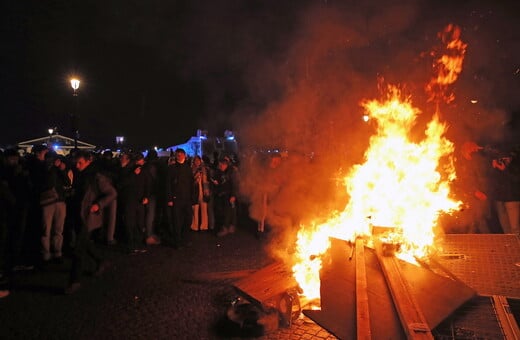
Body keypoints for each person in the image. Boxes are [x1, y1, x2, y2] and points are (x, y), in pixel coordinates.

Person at [65, 151, 117, 294]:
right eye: (76, 162)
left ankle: (74, 281)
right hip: (78, 214)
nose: (77, 165)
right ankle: (101, 261)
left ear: (88, 161)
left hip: (88, 216)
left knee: (78, 249)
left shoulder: (96, 177)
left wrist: (98, 204)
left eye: (80, 163)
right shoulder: (80, 174)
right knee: (84, 244)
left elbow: (112, 193)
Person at [40, 155, 71, 264]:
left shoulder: (58, 170)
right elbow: (47, 183)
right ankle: (46, 253)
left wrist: (62, 170)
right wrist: (53, 168)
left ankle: (57, 252)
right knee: (46, 229)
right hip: (48, 202)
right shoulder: (44, 169)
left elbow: (67, 183)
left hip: (60, 201)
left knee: (58, 229)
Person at [166, 148, 193, 248]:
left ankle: (184, 238)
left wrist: (192, 198)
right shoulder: (171, 168)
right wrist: (169, 199)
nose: (180, 156)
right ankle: (177, 241)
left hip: (187, 198)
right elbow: (168, 184)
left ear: (184, 155)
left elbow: (191, 183)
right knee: (176, 220)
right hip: (176, 198)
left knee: (188, 219)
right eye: (178, 155)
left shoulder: (188, 168)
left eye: (181, 154)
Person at [489, 145, 520, 235]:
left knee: (515, 228)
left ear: (510, 157)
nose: (504, 160)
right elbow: (491, 180)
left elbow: (516, 179)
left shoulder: (516, 166)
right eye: (502, 158)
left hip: (512, 200)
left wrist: (505, 170)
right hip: (499, 200)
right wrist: (493, 168)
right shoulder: (499, 167)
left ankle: (518, 247)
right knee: (505, 228)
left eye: (506, 158)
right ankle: (510, 247)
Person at [213, 158, 238, 237]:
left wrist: (233, 195)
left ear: (226, 165)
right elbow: (222, 182)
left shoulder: (231, 172)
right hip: (223, 195)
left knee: (230, 211)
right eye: (220, 165)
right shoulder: (221, 172)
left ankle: (227, 227)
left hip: (229, 195)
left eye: (222, 165)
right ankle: (229, 226)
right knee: (226, 211)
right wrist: (217, 183)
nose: (220, 167)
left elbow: (234, 184)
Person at [190, 156, 209, 231]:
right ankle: (194, 225)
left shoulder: (204, 169)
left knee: (204, 209)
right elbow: (190, 181)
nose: (197, 162)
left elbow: (206, 180)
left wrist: (207, 191)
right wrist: (195, 179)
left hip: (203, 191)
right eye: (196, 160)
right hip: (195, 191)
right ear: (194, 161)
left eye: (198, 160)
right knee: (195, 209)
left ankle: (204, 225)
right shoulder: (192, 169)